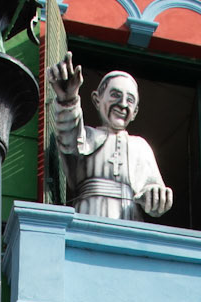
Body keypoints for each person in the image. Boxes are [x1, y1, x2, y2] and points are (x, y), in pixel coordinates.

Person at [48, 58, 174, 223]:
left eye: (130, 100)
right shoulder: (86, 136)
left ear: (135, 112)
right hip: (88, 215)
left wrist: (155, 196)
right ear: (96, 99)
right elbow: (68, 133)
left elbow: (154, 198)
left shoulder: (141, 147)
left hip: (129, 223)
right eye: (115, 95)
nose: (122, 104)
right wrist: (68, 99)